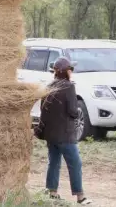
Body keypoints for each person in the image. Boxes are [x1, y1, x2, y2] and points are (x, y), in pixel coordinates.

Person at [38, 57, 92, 205]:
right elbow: (73, 112)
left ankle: (52, 192)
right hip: (66, 135)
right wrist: (78, 109)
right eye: (70, 69)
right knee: (75, 164)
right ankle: (80, 197)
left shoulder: (48, 87)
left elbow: (43, 112)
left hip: (51, 135)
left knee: (53, 163)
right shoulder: (69, 87)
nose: (71, 71)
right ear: (66, 71)